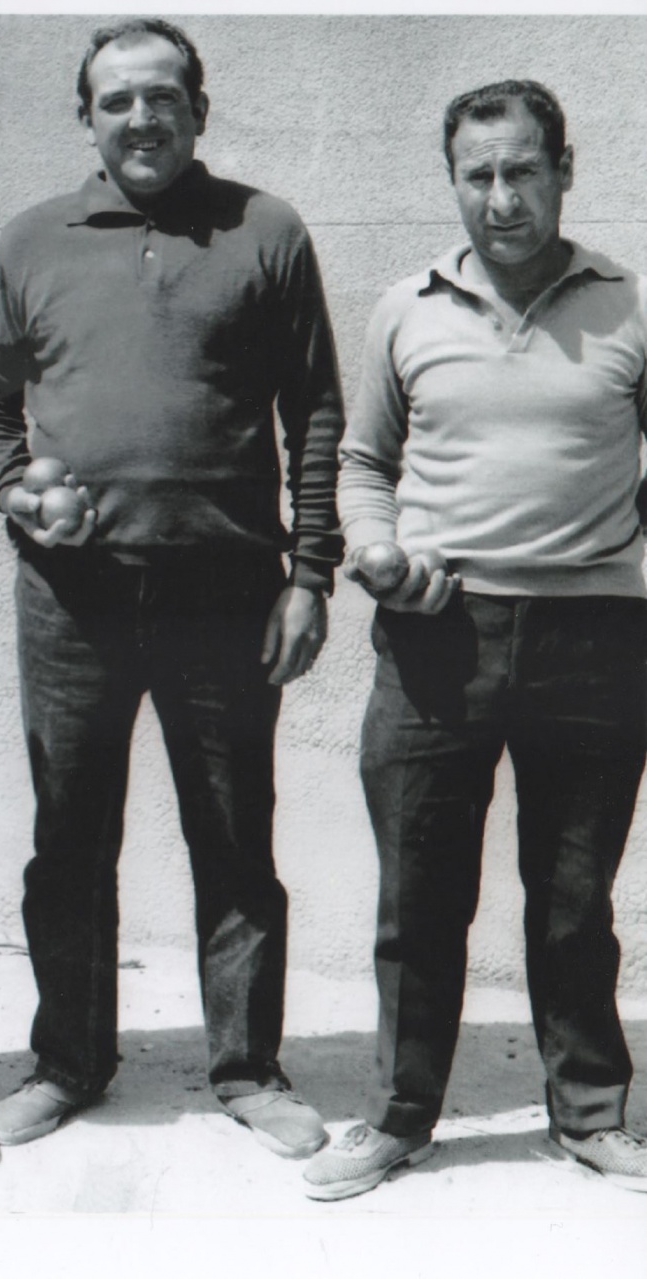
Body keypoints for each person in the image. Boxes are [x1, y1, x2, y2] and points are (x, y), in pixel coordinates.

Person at [0, 19, 344, 1156]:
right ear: (87, 115)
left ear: (198, 110)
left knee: (234, 835)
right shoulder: (34, 238)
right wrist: (12, 489)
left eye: (161, 97)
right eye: (116, 99)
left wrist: (307, 573)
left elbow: (313, 412)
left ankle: (247, 1068)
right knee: (68, 836)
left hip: (227, 588)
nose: (140, 118)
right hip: (69, 594)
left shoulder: (265, 230)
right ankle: (67, 1061)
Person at [303, 80, 647, 1200]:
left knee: (570, 895)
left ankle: (589, 1113)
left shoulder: (628, 303)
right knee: (419, 893)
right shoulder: (403, 307)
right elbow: (361, 462)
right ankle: (401, 1114)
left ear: (562, 169)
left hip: (594, 638)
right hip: (435, 637)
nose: (500, 198)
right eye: (476, 175)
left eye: (520, 171)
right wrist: (371, 547)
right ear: (453, 180)